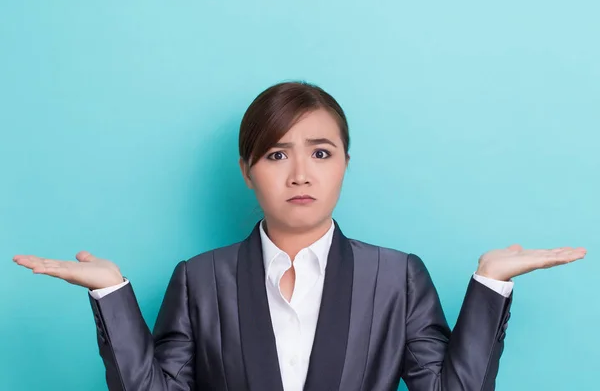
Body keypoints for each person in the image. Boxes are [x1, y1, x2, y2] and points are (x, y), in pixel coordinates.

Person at [13, 81, 586, 391]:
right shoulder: (200, 279)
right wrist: (112, 293)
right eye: (277, 153)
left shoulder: (396, 276)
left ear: (344, 163)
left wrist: (490, 283)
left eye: (320, 152)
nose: (300, 174)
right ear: (247, 169)